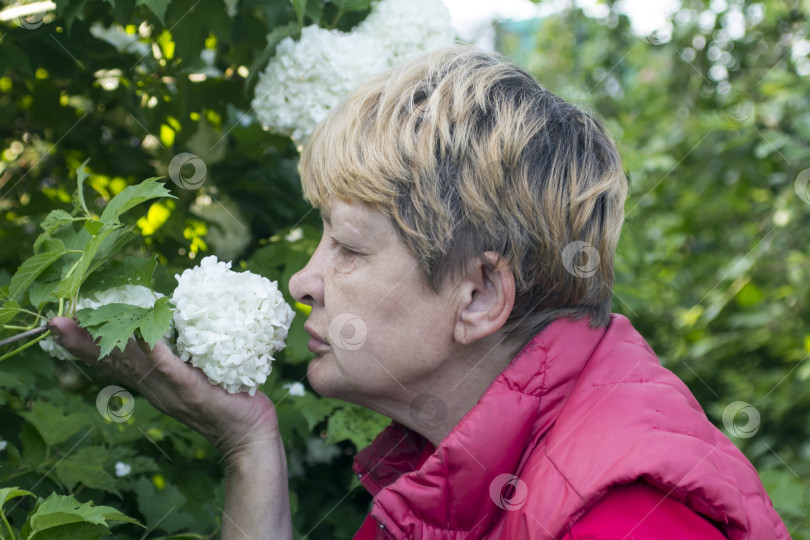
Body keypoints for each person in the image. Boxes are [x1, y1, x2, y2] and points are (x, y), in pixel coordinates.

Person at [50, 45, 789, 539]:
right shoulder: (454, 467)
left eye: (347, 247)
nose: (303, 281)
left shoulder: (628, 518)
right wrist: (249, 448)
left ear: (477, 297)